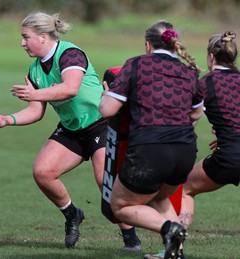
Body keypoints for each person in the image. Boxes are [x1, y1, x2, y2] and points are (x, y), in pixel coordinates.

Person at [0, 11, 141, 251]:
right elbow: (35, 111)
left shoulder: (69, 53)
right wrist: (7, 120)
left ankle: (130, 236)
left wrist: (36, 94)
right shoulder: (35, 70)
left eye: (26, 37)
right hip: (72, 129)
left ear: (43, 36)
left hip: (100, 121)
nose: (22, 43)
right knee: (42, 172)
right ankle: (72, 214)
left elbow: (70, 88)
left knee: (103, 179)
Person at [98, 20, 204, 259]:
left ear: (148, 45)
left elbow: (107, 110)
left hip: (150, 149)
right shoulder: (188, 72)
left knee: (122, 207)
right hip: (185, 150)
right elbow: (197, 113)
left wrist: (106, 95)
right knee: (158, 195)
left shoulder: (136, 64)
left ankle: (171, 229)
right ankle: (175, 251)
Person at [180, 31, 240, 231]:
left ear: (211, 57)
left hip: (230, 156)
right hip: (231, 148)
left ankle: (174, 248)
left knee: (185, 188)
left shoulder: (205, 84)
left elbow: (188, 123)